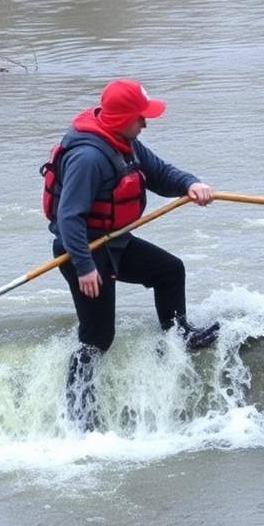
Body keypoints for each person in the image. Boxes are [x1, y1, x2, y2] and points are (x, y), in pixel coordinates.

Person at [45, 78, 220, 429]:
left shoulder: (126, 143)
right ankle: (79, 415)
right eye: (140, 117)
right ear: (123, 117)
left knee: (169, 271)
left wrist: (190, 184)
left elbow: (160, 173)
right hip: (83, 250)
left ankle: (177, 334)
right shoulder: (89, 157)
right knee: (98, 337)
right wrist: (83, 267)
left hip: (114, 242)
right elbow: (69, 218)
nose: (145, 122)